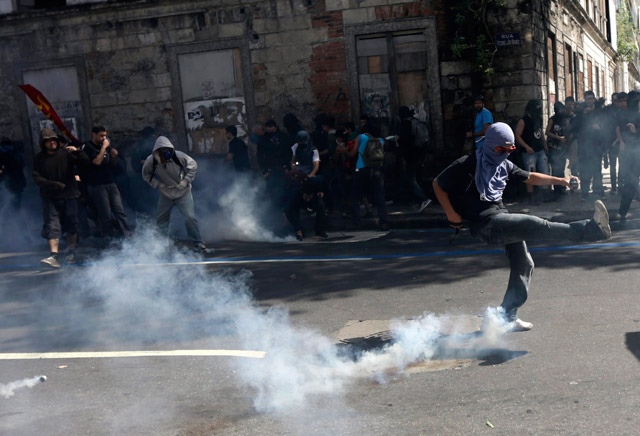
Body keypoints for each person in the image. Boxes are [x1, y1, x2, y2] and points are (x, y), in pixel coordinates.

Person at [433, 123, 611, 330]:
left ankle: (507, 315)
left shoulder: (504, 165)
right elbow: (438, 183)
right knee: (534, 224)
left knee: (524, 263)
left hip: (500, 218)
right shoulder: (468, 163)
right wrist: (450, 213)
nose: (506, 153)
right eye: (501, 149)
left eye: (510, 149)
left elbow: (531, 177)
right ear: (490, 145)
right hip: (485, 224)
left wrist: (562, 180)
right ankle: (592, 229)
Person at [141, 136, 212, 253]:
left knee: (190, 217)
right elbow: (146, 175)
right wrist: (157, 184)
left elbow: (193, 165)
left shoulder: (179, 156)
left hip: (183, 192)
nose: (165, 156)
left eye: (167, 152)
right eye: (162, 153)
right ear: (156, 152)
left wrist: (185, 181)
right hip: (166, 194)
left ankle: (198, 242)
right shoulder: (151, 161)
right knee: (162, 220)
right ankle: (161, 245)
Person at [32, 128, 89, 268]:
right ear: (43, 143)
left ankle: (71, 252)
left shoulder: (66, 154)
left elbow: (85, 162)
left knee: (71, 223)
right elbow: (36, 177)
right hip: (50, 196)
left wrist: (76, 151)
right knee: (52, 225)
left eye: (53, 140)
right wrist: (51, 184)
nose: (52, 142)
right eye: (48, 140)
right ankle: (54, 256)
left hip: (69, 194)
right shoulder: (39, 158)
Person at [82, 126, 131, 238]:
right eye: (101, 136)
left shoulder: (107, 146)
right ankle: (109, 238)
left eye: (105, 136)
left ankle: (127, 236)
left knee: (120, 211)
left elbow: (111, 164)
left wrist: (114, 156)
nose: (104, 138)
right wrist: (104, 148)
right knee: (106, 214)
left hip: (111, 183)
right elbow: (96, 162)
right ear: (93, 134)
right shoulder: (88, 147)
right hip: (98, 185)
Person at [348, 122, 389, 230]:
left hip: (361, 169)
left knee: (355, 196)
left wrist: (343, 151)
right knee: (380, 197)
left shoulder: (361, 137)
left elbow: (352, 154)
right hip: (376, 171)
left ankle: (356, 223)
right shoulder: (381, 140)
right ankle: (384, 222)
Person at [515, 99, 550, 203]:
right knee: (530, 174)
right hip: (529, 152)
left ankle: (545, 194)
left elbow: (541, 132)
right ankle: (532, 196)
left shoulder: (538, 118)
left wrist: (545, 144)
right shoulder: (523, 120)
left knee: (544, 171)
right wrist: (526, 147)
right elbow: (517, 135)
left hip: (540, 150)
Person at [398, 106, 430, 212]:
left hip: (411, 155)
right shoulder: (416, 122)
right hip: (420, 154)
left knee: (411, 179)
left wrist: (397, 140)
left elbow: (405, 141)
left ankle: (423, 199)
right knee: (417, 178)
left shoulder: (405, 124)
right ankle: (419, 201)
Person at [574, 91, 605, 199]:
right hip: (583, 146)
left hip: (596, 145)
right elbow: (575, 127)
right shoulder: (580, 112)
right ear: (585, 100)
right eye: (588, 99)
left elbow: (606, 126)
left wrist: (599, 127)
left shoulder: (598, 111)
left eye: (592, 99)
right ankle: (584, 192)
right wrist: (583, 114)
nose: (590, 101)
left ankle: (598, 191)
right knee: (584, 170)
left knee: (597, 170)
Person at [615, 91, 640, 225]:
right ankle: (622, 212)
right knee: (630, 183)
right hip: (632, 154)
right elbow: (620, 129)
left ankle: (623, 212)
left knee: (631, 183)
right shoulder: (627, 115)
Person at [257, 120, 292, 210]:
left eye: (272, 127)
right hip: (270, 168)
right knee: (270, 188)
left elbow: (288, 152)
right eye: (268, 127)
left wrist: (287, 166)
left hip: (282, 167)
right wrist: (264, 169)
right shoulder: (264, 139)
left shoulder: (283, 137)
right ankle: (271, 208)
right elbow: (260, 155)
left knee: (282, 188)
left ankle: (283, 208)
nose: (270, 129)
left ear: (275, 127)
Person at [545, 102, 570, 197]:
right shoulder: (552, 119)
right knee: (555, 169)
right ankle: (557, 189)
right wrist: (559, 138)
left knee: (561, 168)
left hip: (562, 148)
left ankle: (562, 187)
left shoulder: (564, 119)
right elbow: (547, 132)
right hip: (553, 147)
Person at [0, 137, 27, 210]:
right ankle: (16, 216)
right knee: (16, 202)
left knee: (5, 201)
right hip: (18, 182)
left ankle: (9, 218)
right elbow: (23, 165)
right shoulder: (17, 153)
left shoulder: (2, 153)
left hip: (6, 182)